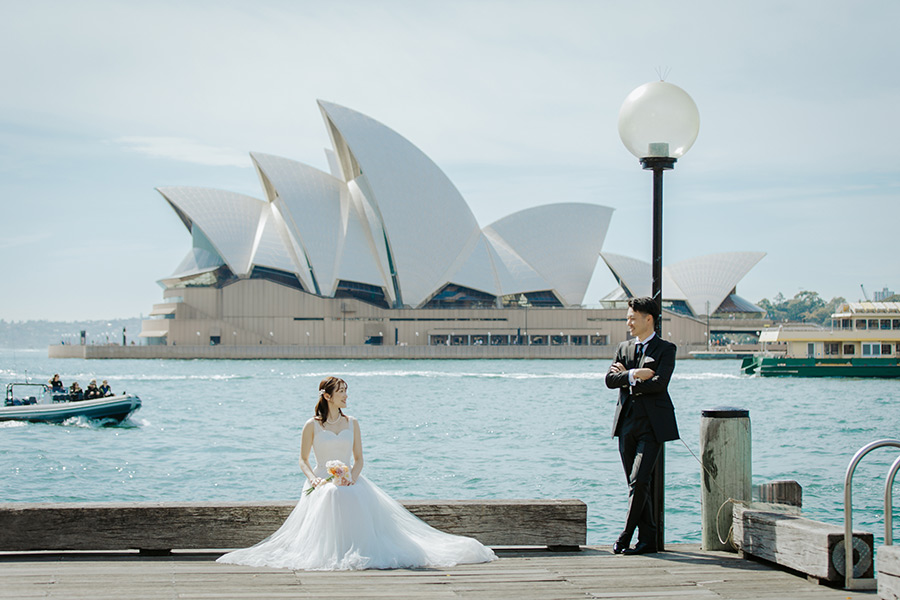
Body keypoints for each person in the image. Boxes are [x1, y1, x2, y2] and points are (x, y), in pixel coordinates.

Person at [217, 376, 496, 571]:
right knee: (329, 495)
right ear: (328, 396)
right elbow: (302, 460)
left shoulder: (354, 423)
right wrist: (313, 478)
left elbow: (360, 458)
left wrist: (351, 475)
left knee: (347, 495)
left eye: (346, 391)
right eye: (341, 391)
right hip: (320, 481)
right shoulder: (311, 426)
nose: (346, 395)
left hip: (351, 480)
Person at [605, 297, 679, 556]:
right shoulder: (623, 347)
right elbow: (610, 380)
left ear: (649, 319)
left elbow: (660, 384)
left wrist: (627, 378)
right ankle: (648, 538)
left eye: (632, 318)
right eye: (628, 318)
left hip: (653, 426)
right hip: (626, 424)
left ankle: (625, 537)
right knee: (636, 483)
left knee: (639, 481)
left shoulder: (666, 349)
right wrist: (634, 375)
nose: (628, 322)